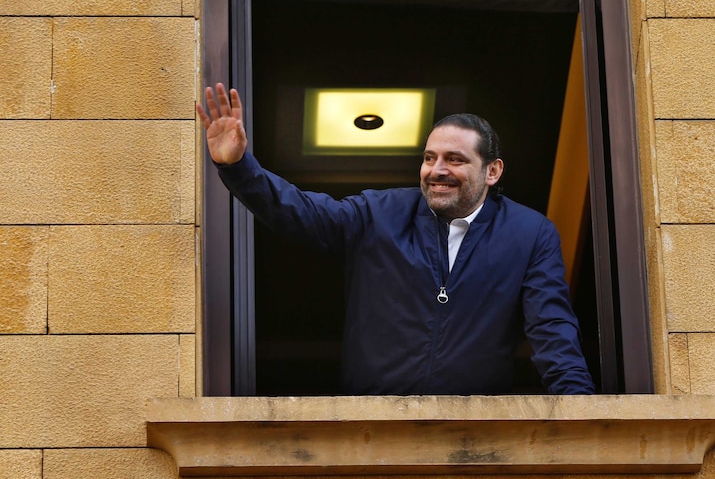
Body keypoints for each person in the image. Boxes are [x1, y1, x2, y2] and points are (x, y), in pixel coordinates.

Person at [197, 83, 594, 395]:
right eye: (429, 158)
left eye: (455, 160)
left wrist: (586, 418)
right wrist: (238, 167)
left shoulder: (530, 233)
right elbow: (299, 212)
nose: (437, 169)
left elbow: (553, 329)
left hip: (476, 432)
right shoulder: (378, 213)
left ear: (492, 172)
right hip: (371, 425)